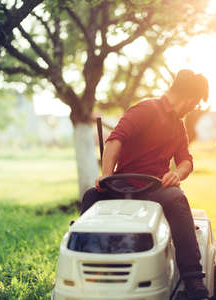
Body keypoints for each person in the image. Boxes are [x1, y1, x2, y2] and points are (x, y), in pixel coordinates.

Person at [81, 69, 209, 299]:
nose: (194, 108)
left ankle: (193, 278)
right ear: (189, 98)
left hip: (155, 189)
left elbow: (186, 161)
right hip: (121, 185)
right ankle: (86, 270)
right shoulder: (145, 110)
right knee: (91, 197)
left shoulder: (178, 127)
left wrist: (177, 173)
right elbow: (114, 141)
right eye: (196, 103)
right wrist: (106, 176)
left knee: (177, 199)